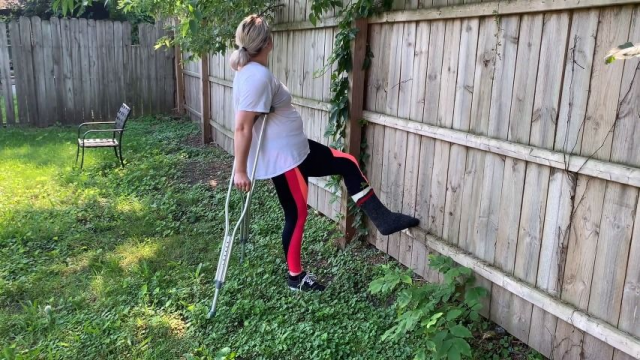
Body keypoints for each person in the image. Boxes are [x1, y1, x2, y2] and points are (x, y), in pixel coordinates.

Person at [230, 14, 419, 292]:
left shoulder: (250, 72)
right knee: (296, 215)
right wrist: (240, 168)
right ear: (269, 43)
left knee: (348, 163)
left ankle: (383, 218)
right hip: (288, 159)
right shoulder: (256, 76)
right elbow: (243, 127)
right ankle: (296, 278)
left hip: (298, 149)